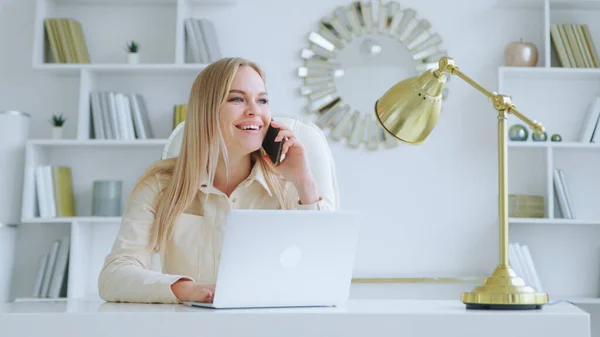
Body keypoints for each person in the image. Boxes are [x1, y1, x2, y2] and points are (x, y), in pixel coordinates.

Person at [97, 57, 333, 304]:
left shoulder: (289, 187)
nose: (255, 111)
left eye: (262, 100)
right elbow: (114, 276)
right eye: (237, 99)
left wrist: (304, 182)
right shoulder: (160, 185)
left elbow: (326, 270)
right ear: (206, 111)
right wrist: (189, 290)